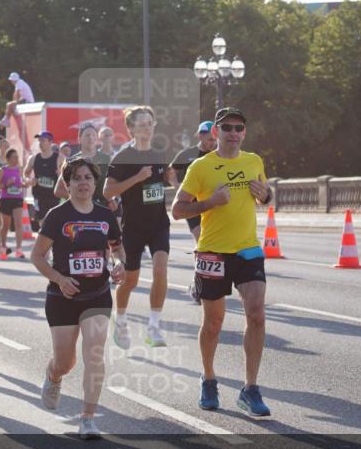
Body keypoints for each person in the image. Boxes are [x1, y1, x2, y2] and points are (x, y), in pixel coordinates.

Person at [172, 107, 272, 417]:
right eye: (227, 127)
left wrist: (266, 194)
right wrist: (210, 203)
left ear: (244, 132)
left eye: (239, 127)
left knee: (257, 314)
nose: (233, 133)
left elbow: (265, 196)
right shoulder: (201, 167)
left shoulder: (253, 161)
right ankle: (208, 379)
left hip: (248, 249)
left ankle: (250, 388)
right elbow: (177, 210)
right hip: (212, 252)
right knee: (213, 322)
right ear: (216, 132)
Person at [31, 158, 125, 439]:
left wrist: (119, 264)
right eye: (77, 178)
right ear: (67, 184)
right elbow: (37, 256)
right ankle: (53, 376)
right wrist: (60, 279)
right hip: (62, 297)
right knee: (65, 361)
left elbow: (117, 248)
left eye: (88, 177)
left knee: (94, 351)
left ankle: (88, 418)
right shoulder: (57, 216)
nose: (83, 182)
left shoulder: (105, 215)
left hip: (97, 294)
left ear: (95, 183)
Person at [103, 105, 173, 348]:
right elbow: (107, 191)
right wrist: (137, 178)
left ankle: (153, 327)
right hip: (133, 227)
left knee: (160, 270)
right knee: (130, 281)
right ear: (131, 129)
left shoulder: (160, 154)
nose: (147, 128)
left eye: (150, 123)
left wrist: (174, 180)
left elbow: (167, 179)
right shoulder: (123, 158)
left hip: (159, 224)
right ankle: (120, 320)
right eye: (142, 124)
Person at [171, 120, 218, 304]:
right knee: (201, 242)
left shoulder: (218, 155)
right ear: (200, 136)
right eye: (209, 139)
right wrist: (178, 187)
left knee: (212, 247)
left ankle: (206, 280)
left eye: (214, 139)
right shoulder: (188, 154)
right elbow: (170, 171)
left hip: (211, 207)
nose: (212, 143)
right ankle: (198, 285)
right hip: (191, 207)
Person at [24, 131, 62, 232]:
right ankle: (45, 239)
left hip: (54, 196)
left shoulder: (59, 158)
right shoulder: (33, 158)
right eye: (39, 140)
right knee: (43, 223)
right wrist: (29, 180)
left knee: (54, 222)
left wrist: (61, 175)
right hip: (39, 196)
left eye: (43, 140)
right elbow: (25, 173)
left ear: (50, 142)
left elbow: (68, 176)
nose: (40, 143)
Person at [0, 148, 26, 259]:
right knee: (5, 225)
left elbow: (21, 182)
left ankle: (19, 249)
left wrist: (24, 184)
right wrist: (6, 184)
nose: (16, 159)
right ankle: (2, 247)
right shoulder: (2, 170)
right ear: (7, 159)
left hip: (17, 198)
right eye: (14, 157)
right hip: (5, 199)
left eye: (17, 157)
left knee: (18, 224)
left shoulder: (19, 169)